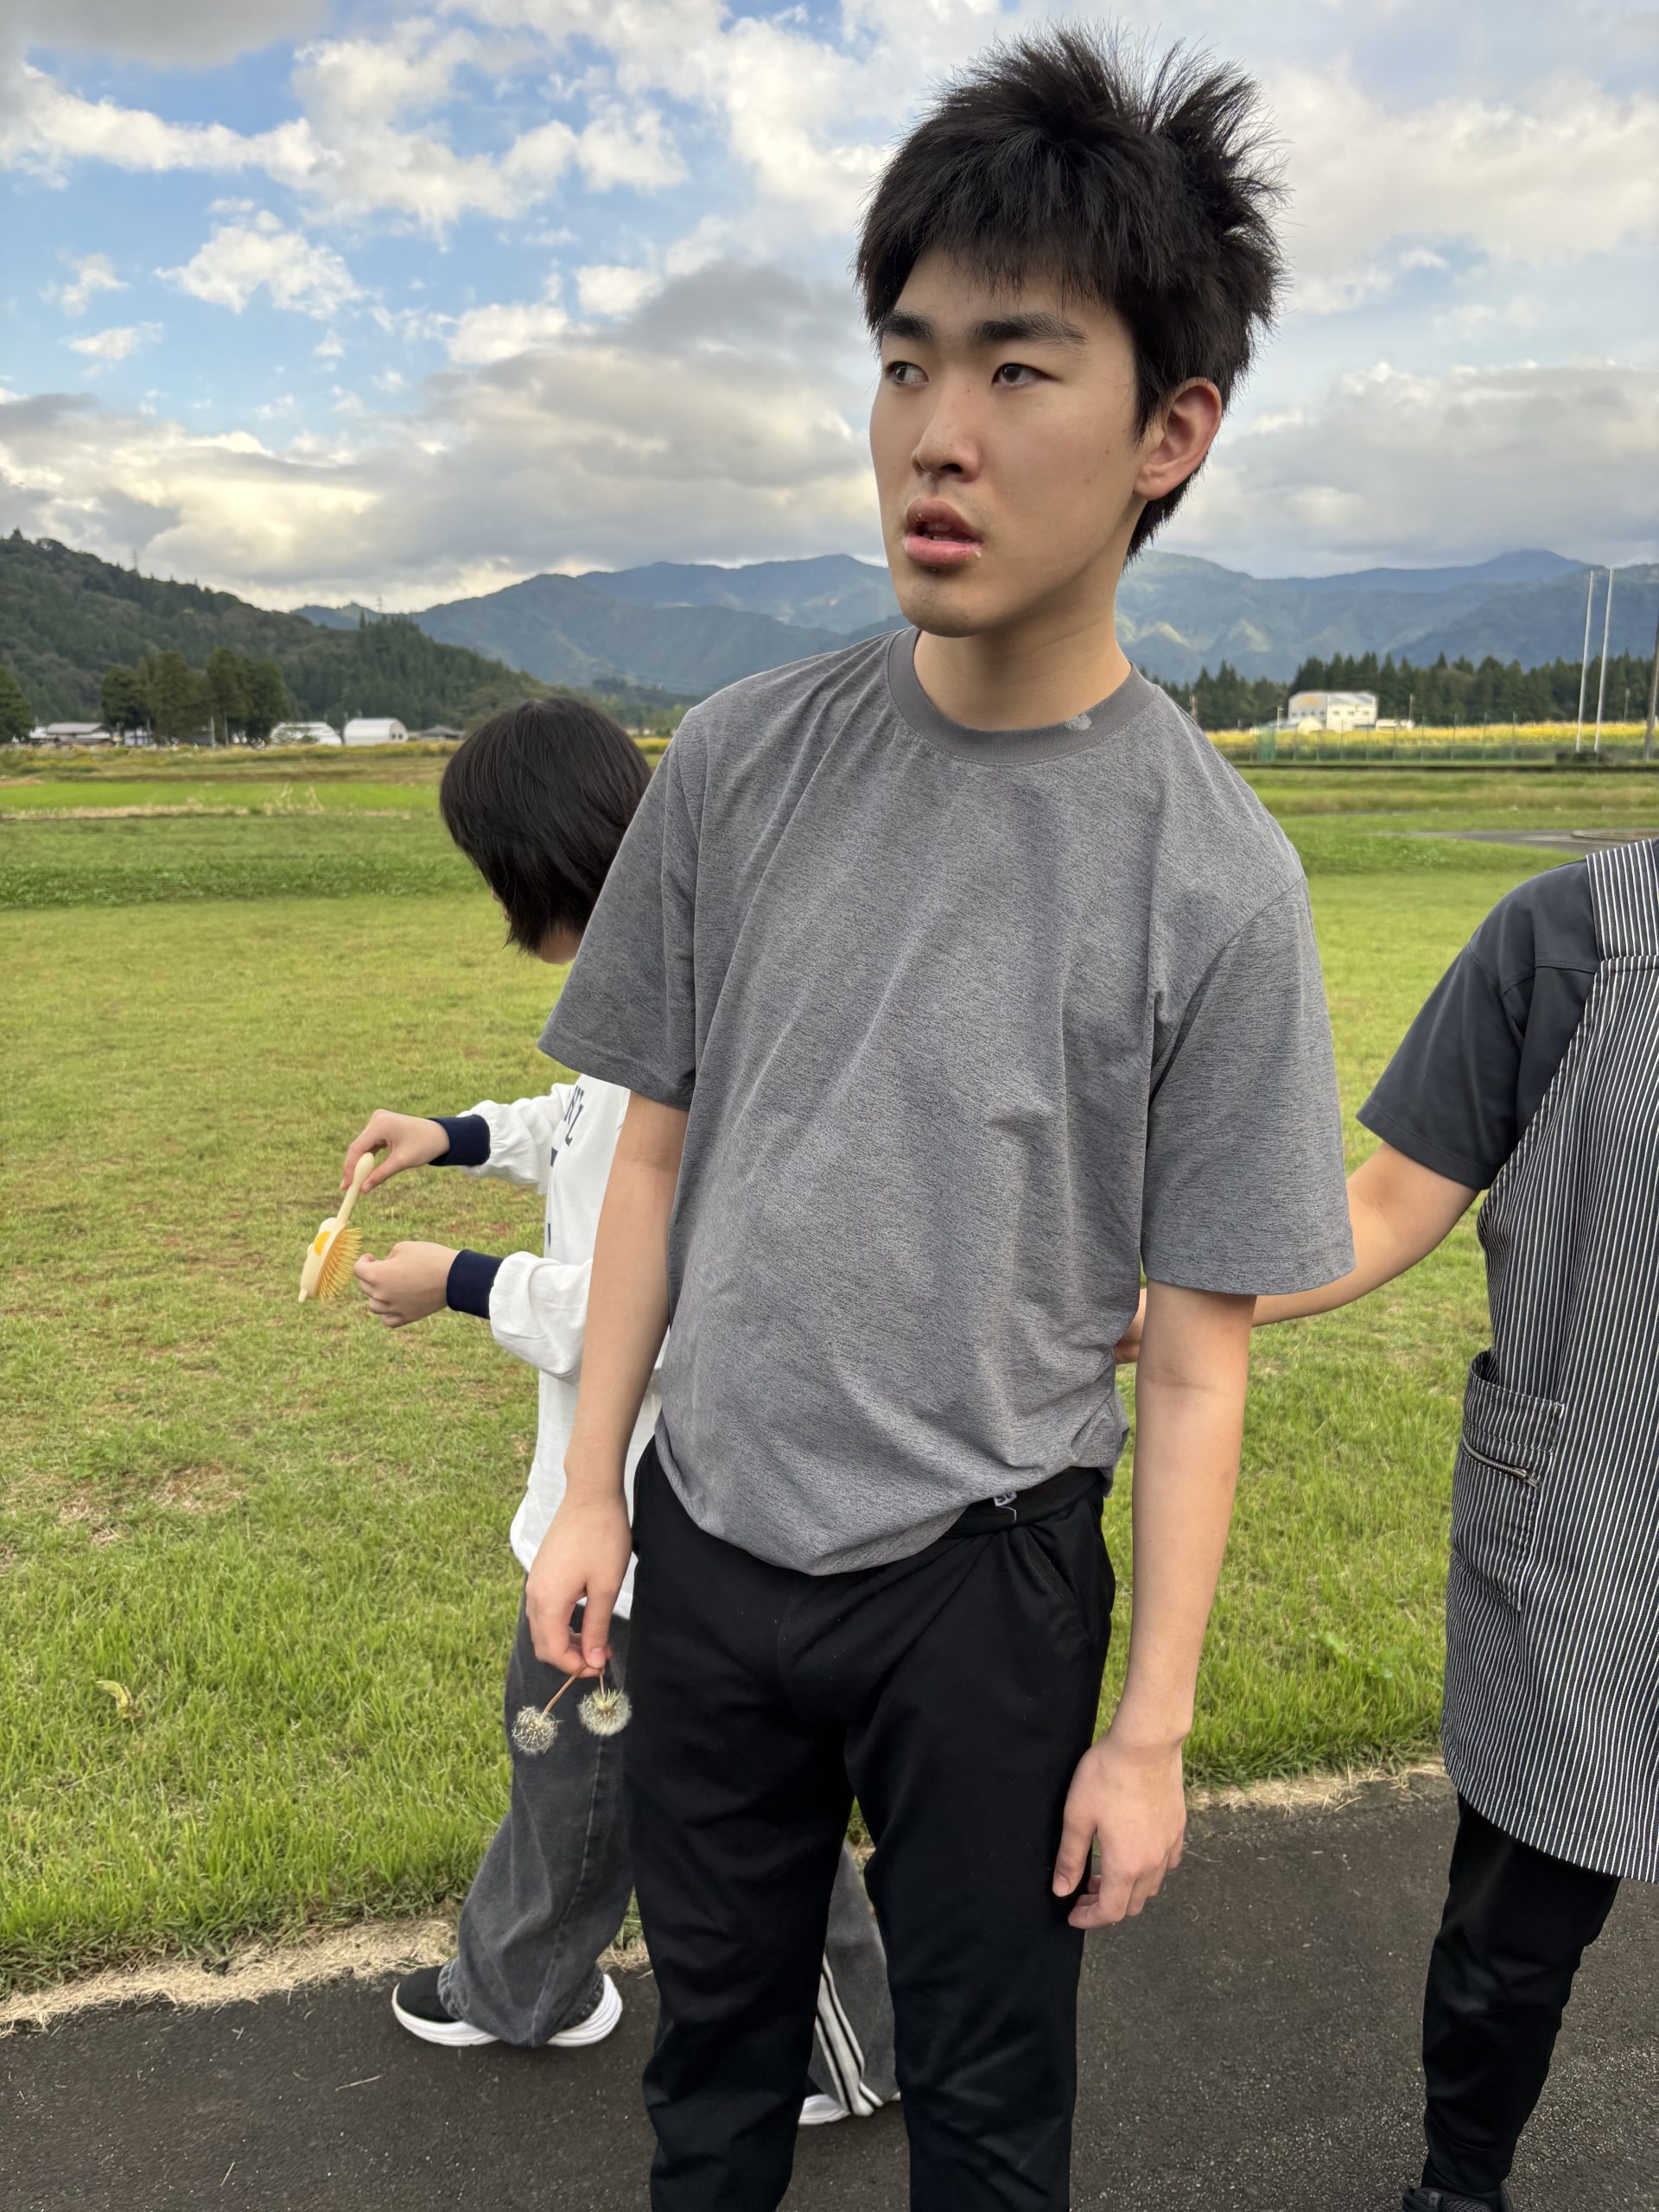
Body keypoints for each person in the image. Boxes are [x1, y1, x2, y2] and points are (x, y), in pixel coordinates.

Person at [528, 31, 1354, 2210]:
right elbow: (656, 1152)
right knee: (711, 2075)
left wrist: (1150, 1731)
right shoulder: (737, 760)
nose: (938, 433)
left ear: (1172, 429)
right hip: (715, 1530)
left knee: (989, 2114)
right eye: (904, 364)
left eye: (1016, 367)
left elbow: (1199, 1355)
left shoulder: (1216, 878)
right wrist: (596, 1489)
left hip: (985, 1584)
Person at [339, 698, 896, 2125]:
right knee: (576, 1761)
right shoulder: (642, 991)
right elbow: (572, 1121)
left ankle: (853, 2051)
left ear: (535, 865)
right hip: (599, 1516)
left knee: (714, 1800)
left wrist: (460, 1281)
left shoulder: (705, 1020)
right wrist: (451, 1136)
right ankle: (524, 1985)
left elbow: (655, 1305)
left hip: (676, 1521)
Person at [1184, 842, 1659, 2211]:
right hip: (1591, 1523)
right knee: (1515, 1932)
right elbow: (1392, 1205)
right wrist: (1183, 1303)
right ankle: (1461, 2182)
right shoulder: (1572, 939)